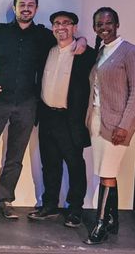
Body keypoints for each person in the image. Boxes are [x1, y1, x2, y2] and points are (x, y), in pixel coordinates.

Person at [0, 0, 86, 220]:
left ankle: (5, 200)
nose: (26, 8)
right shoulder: (0, 32)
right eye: (21, 4)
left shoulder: (44, 36)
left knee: (15, 156)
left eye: (30, 5)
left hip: (27, 104)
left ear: (36, 9)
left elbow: (67, 39)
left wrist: (82, 39)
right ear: (14, 8)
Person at [27, 11, 96, 227]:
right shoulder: (47, 50)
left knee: (75, 164)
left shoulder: (86, 54)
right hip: (47, 115)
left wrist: (83, 41)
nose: (61, 27)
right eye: (56, 23)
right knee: (50, 164)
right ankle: (49, 205)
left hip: (70, 119)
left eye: (66, 23)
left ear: (75, 28)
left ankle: (75, 209)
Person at [84, 7, 135, 245]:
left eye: (108, 23)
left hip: (118, 123)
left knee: (107, 173)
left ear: (116, 24)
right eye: (98, 24)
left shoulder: (129, 51)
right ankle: (113, 220)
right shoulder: (100, 52)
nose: (103, 28)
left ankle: (100, 225)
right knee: (106, 172)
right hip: (97, 119)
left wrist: (124, 125)